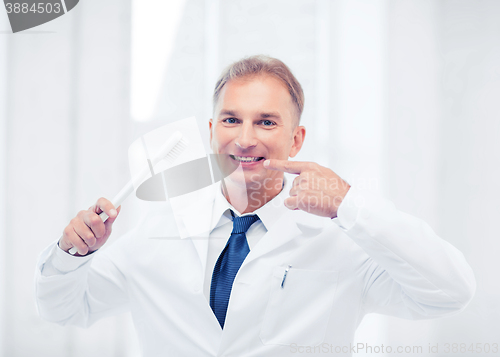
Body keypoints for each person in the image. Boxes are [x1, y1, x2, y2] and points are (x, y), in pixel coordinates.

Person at [35, 55, 475, 356]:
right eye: (231, 120)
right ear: (212, 131)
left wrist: (349, 204)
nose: (245, 139)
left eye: (266, 122)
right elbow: (64, 309)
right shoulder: (157, 231)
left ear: (296, 138)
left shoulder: (343, 240)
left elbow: (450, 292)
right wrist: (73, 253)